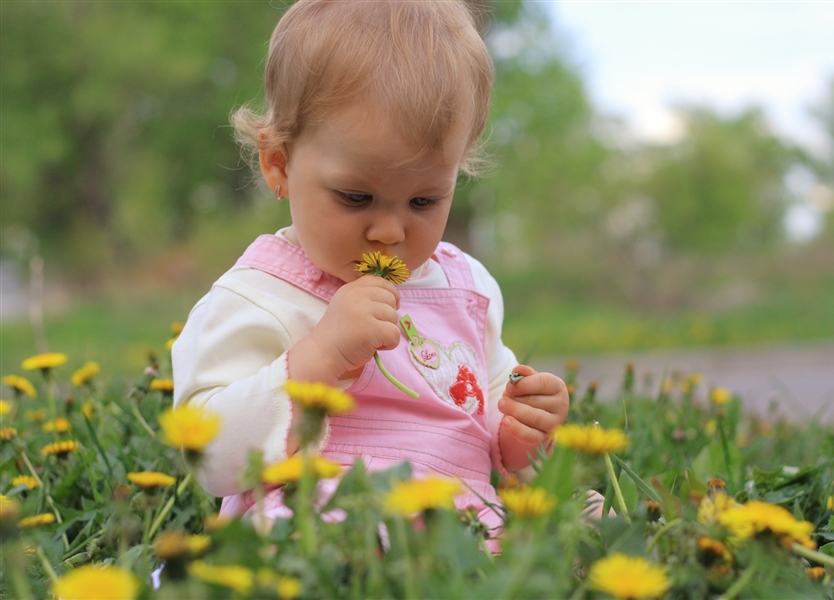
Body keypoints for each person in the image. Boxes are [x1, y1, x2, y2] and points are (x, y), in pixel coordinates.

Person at [171, 0, 570, 547]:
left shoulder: (468, 288)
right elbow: (210, 456)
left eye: (425, 199)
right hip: (323, 517)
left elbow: (489, 427)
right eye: (356, 197)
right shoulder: (260, 295)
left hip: (457, 525)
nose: (389, 231)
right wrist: (320, 357)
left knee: (574, 525)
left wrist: (523, 432)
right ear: (279, 163)